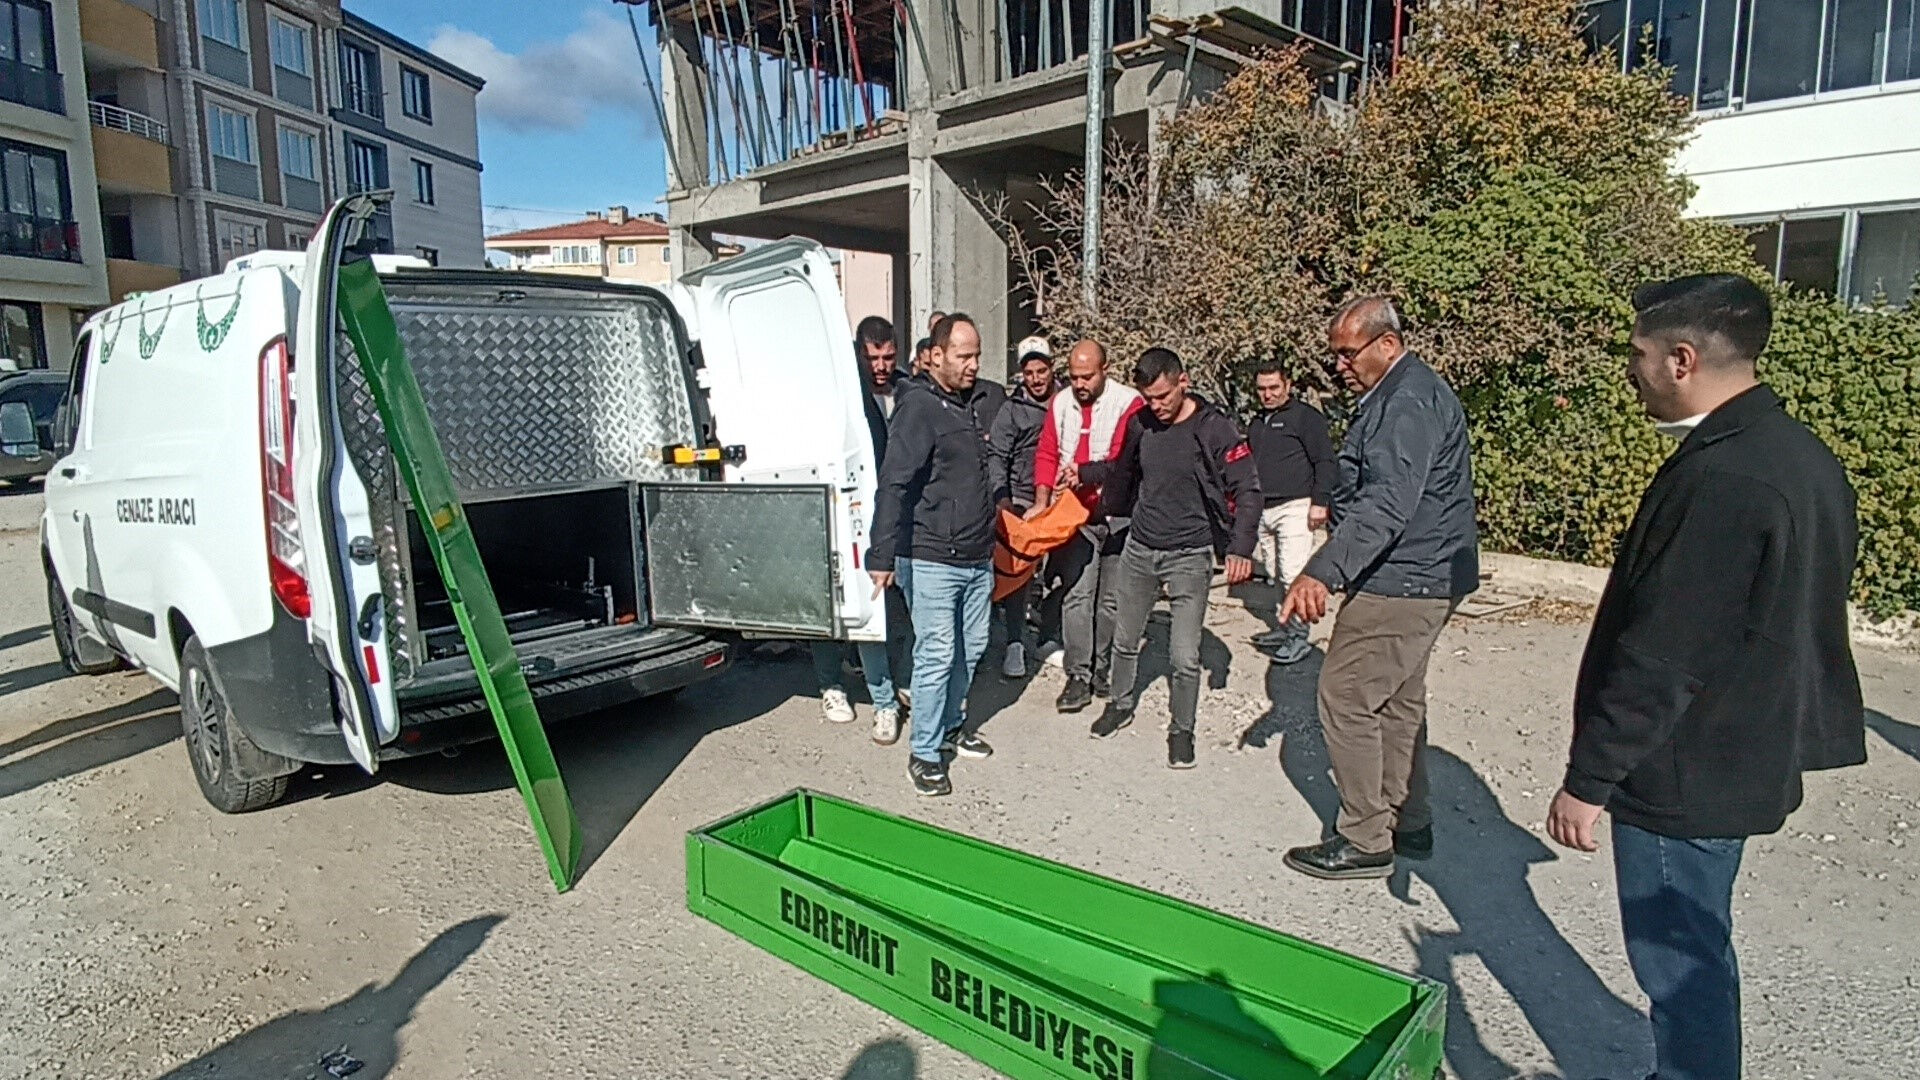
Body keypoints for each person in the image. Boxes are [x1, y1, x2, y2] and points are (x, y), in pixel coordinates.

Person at [1544, 275, 1864, 1080]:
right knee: (1697, 952)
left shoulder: (1725, 479)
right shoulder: (1795, 452)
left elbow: (1667, 651)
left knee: (1680, 967)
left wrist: (1590, 779)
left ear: (1682, 359)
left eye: (1639, 355)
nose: (1632, 370)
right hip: (1736, 747)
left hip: (1688, 767)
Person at [1278, 296, 1478, 881]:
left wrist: (1323, 570)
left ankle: (1365, 836)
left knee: (1345, 696)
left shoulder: (1407, 401)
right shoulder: (1400, 394)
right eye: (1334, 353)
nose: (1338, 364)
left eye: (1347, 352)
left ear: (1386, 345)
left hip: (1405, 577)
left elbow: (1389, 501)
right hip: (1421, 570)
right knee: (1397, 698)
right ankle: (1407, 820)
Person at [1090, 347, 1261, 769]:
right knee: (1125, 639)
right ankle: (1119, 702)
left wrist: (1240, 547)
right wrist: (1107, 510)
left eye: (1164, 396)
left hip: (1190, 555)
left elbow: (1248, 488)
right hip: (1141, 548)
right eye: (1149, 398)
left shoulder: (1214, 428)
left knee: (1185, 656)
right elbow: (1122, 472)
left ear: (1183, 381)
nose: (1157, 406)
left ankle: (1181, 730)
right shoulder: (1141, 424)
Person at [869, 313, 998, 797]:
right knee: (937, 654)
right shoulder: (920, 407)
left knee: (971, 649)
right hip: (933, 557)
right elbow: (894, 481)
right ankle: (924, 753)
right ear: (937, 355)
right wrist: (881, 553)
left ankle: (950, 726)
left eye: (977, 355)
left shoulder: (970, 404)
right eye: (964, 356)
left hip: (977, 556)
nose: (973, 365)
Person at [1030, 340, 1143, 712]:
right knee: (1077, 595)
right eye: (1074, 377)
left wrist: (1085, 474)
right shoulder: (1060, 403)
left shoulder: (1129, 404)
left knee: (1111, 599)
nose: (1079, 384)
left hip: (1117, 514)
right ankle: (1078, 673)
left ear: (1105, 369)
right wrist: (1042, 502)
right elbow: (1048, 451)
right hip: (1072, 514)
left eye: (1087, 376)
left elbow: (1123, 461)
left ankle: (1103, 668)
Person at [813, 317, 909, 744]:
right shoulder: (840, 395)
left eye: (889, 356)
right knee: (836, 607)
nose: (882, 366)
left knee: (887, 611)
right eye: (873, 358)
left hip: (892, 516)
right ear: (858, 355)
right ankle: (835, 686)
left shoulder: (908, 392)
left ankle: (890, 692)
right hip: (843, 509)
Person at [1245, 362, 1336, 664]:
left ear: (1288, 385)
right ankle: (1284, 627)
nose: (1268, 394)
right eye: (1262, 389)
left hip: (1296, 506)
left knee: (1293, 574)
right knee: (1273, 573)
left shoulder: (1306, 418)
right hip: (1264, 508)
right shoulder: (1257, 422)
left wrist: (1320, 502)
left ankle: (1299, 638)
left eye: (1274, 387)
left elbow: (1325, 461)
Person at [987, 336, 1057, 677]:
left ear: (1052, 369)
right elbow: (997, 455)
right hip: (1020, 501)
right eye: (1029, 372)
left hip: (1059, 500)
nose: (1036, 379)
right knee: (1016, 577)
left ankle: (1049, 638)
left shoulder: (1066, 403)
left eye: (1041, 371)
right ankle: (1014, 643)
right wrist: (1003, 501)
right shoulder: (1011, 410)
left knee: (1059, 573)